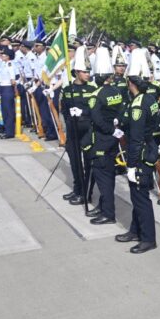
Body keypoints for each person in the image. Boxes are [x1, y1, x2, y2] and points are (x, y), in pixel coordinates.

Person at [115, 48, 160, 254]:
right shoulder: (149, 98)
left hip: (141, 155)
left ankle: (148, 238)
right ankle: (135, 230)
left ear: (130, 83)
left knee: (141, 197)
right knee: (136, 196)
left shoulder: (137, 106)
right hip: (149, 149)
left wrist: (131, 165)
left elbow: (135, 139)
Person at [88, 47, 125, 224]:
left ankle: (108, 213)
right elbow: (121, 111)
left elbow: (96, 120)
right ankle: (104, 208)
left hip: (102, 140)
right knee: (109, 175)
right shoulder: (117, 92)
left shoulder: (96, 95)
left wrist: (110, 130)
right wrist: (116, 129)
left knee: (103, 179)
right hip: (114, 138)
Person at [61, 46, 98, 205]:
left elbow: (95, 110)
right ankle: (77, 188)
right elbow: (63, 108)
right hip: (73, 130)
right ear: (76, 72)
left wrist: (82, 112)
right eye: (84, 72)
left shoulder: (92, 89)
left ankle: (86, 193)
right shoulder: (68, 89)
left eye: (89, 72)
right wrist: (70, 115)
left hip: (87, 130)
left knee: (88, 163)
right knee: (75, 163)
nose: (87, 75)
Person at [0, 48, 17, 139]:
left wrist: (15, 89)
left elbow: (13, 79)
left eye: (4, 55)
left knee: (8, 111)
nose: (2, 56)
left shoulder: (10, 64)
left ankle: (10, 133)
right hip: (3, 88)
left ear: (8, 56)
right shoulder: (4, 64)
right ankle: (6, 130)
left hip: (8, 88)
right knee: (4, 111)